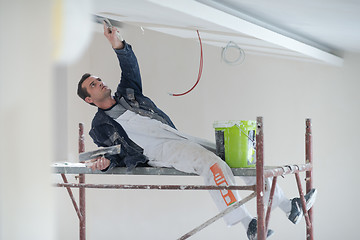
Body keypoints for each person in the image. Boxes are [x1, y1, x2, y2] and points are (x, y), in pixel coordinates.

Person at [77, 23, 317, 240]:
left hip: (173, 135)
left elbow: (130, 67)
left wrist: (116, 43)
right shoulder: (99, 126)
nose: (100, 83)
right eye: (93, 85)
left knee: (239, 157)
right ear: (89, 99)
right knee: (212, 166)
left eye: (98, 79)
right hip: (156, 151)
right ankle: (247, 224)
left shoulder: (128, 94)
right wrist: (105, 164)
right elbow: (113, 155)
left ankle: (289, 207)